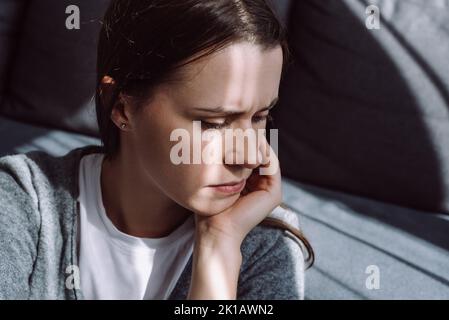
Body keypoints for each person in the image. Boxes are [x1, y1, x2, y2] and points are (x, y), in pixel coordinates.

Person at [0, 0, 313, 300]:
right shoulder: (21, 202)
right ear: (121, 107)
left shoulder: (266, 242)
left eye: (260, 117)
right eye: (213, 123)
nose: (251, 155)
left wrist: (220, 248)